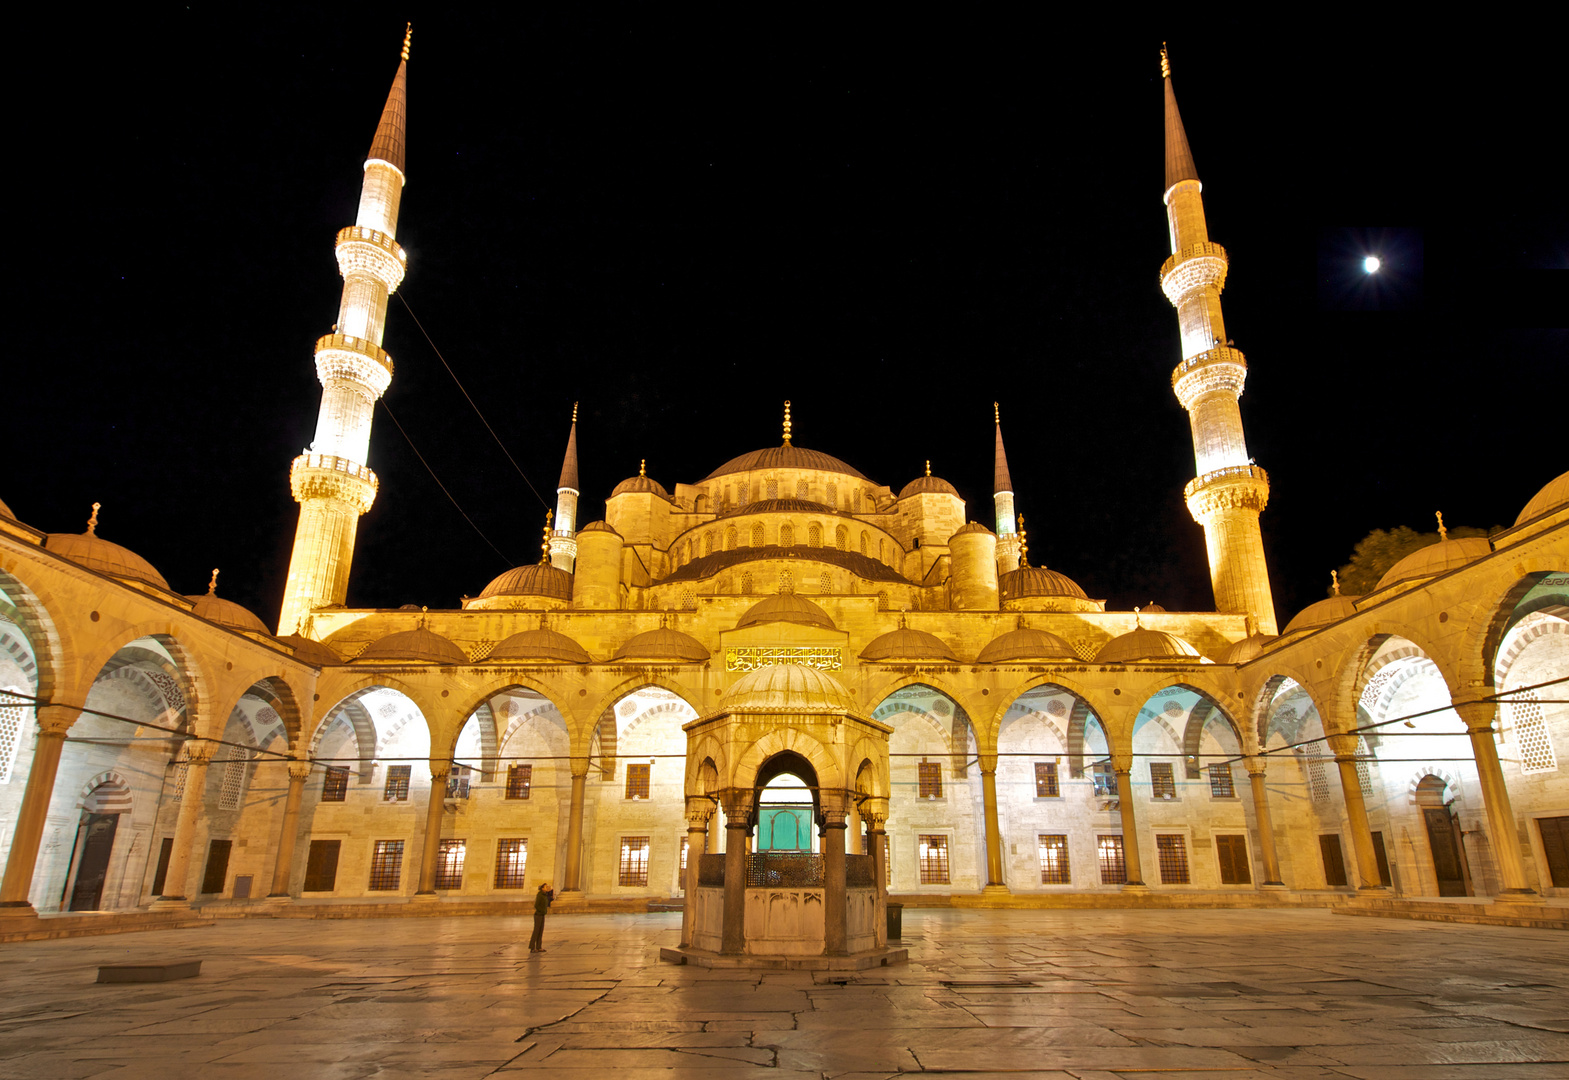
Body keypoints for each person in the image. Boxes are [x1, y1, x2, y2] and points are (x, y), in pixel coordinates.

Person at [529, 881, 554, 953]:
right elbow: (536, 905)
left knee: (540, 931)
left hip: (542, 914)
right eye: (546, 887)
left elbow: (550, 900)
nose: (547, 888)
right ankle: (532, 947)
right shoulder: (539, 895)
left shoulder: (545, 895)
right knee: (536, 931)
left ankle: (539, 947)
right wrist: (541, 911)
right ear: (542, 888)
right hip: (538, 915)